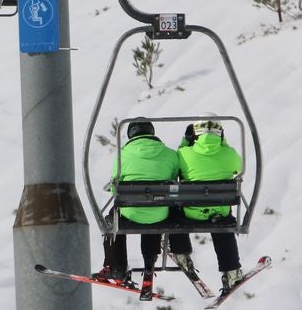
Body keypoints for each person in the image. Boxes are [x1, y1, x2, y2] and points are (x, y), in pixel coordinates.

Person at [94, 120, 179, 288]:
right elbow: (175, 178)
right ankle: (149, 262)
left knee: (114, 218)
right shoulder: (170, 154)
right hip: (160, 213)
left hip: (130, 213)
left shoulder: (122, 155)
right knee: (155, 208)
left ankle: (117, 267)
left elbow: (114, 188)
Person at [168, 120, 245, 294]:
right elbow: (238, 167)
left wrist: (186, 142)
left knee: (173, 210)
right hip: (220, 213)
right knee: (222, 224)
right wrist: (223, 144)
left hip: (191, 214)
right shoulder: (229, 154)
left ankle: (181, 252)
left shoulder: (184, 153)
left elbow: (174, 170)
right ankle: (231, 270)